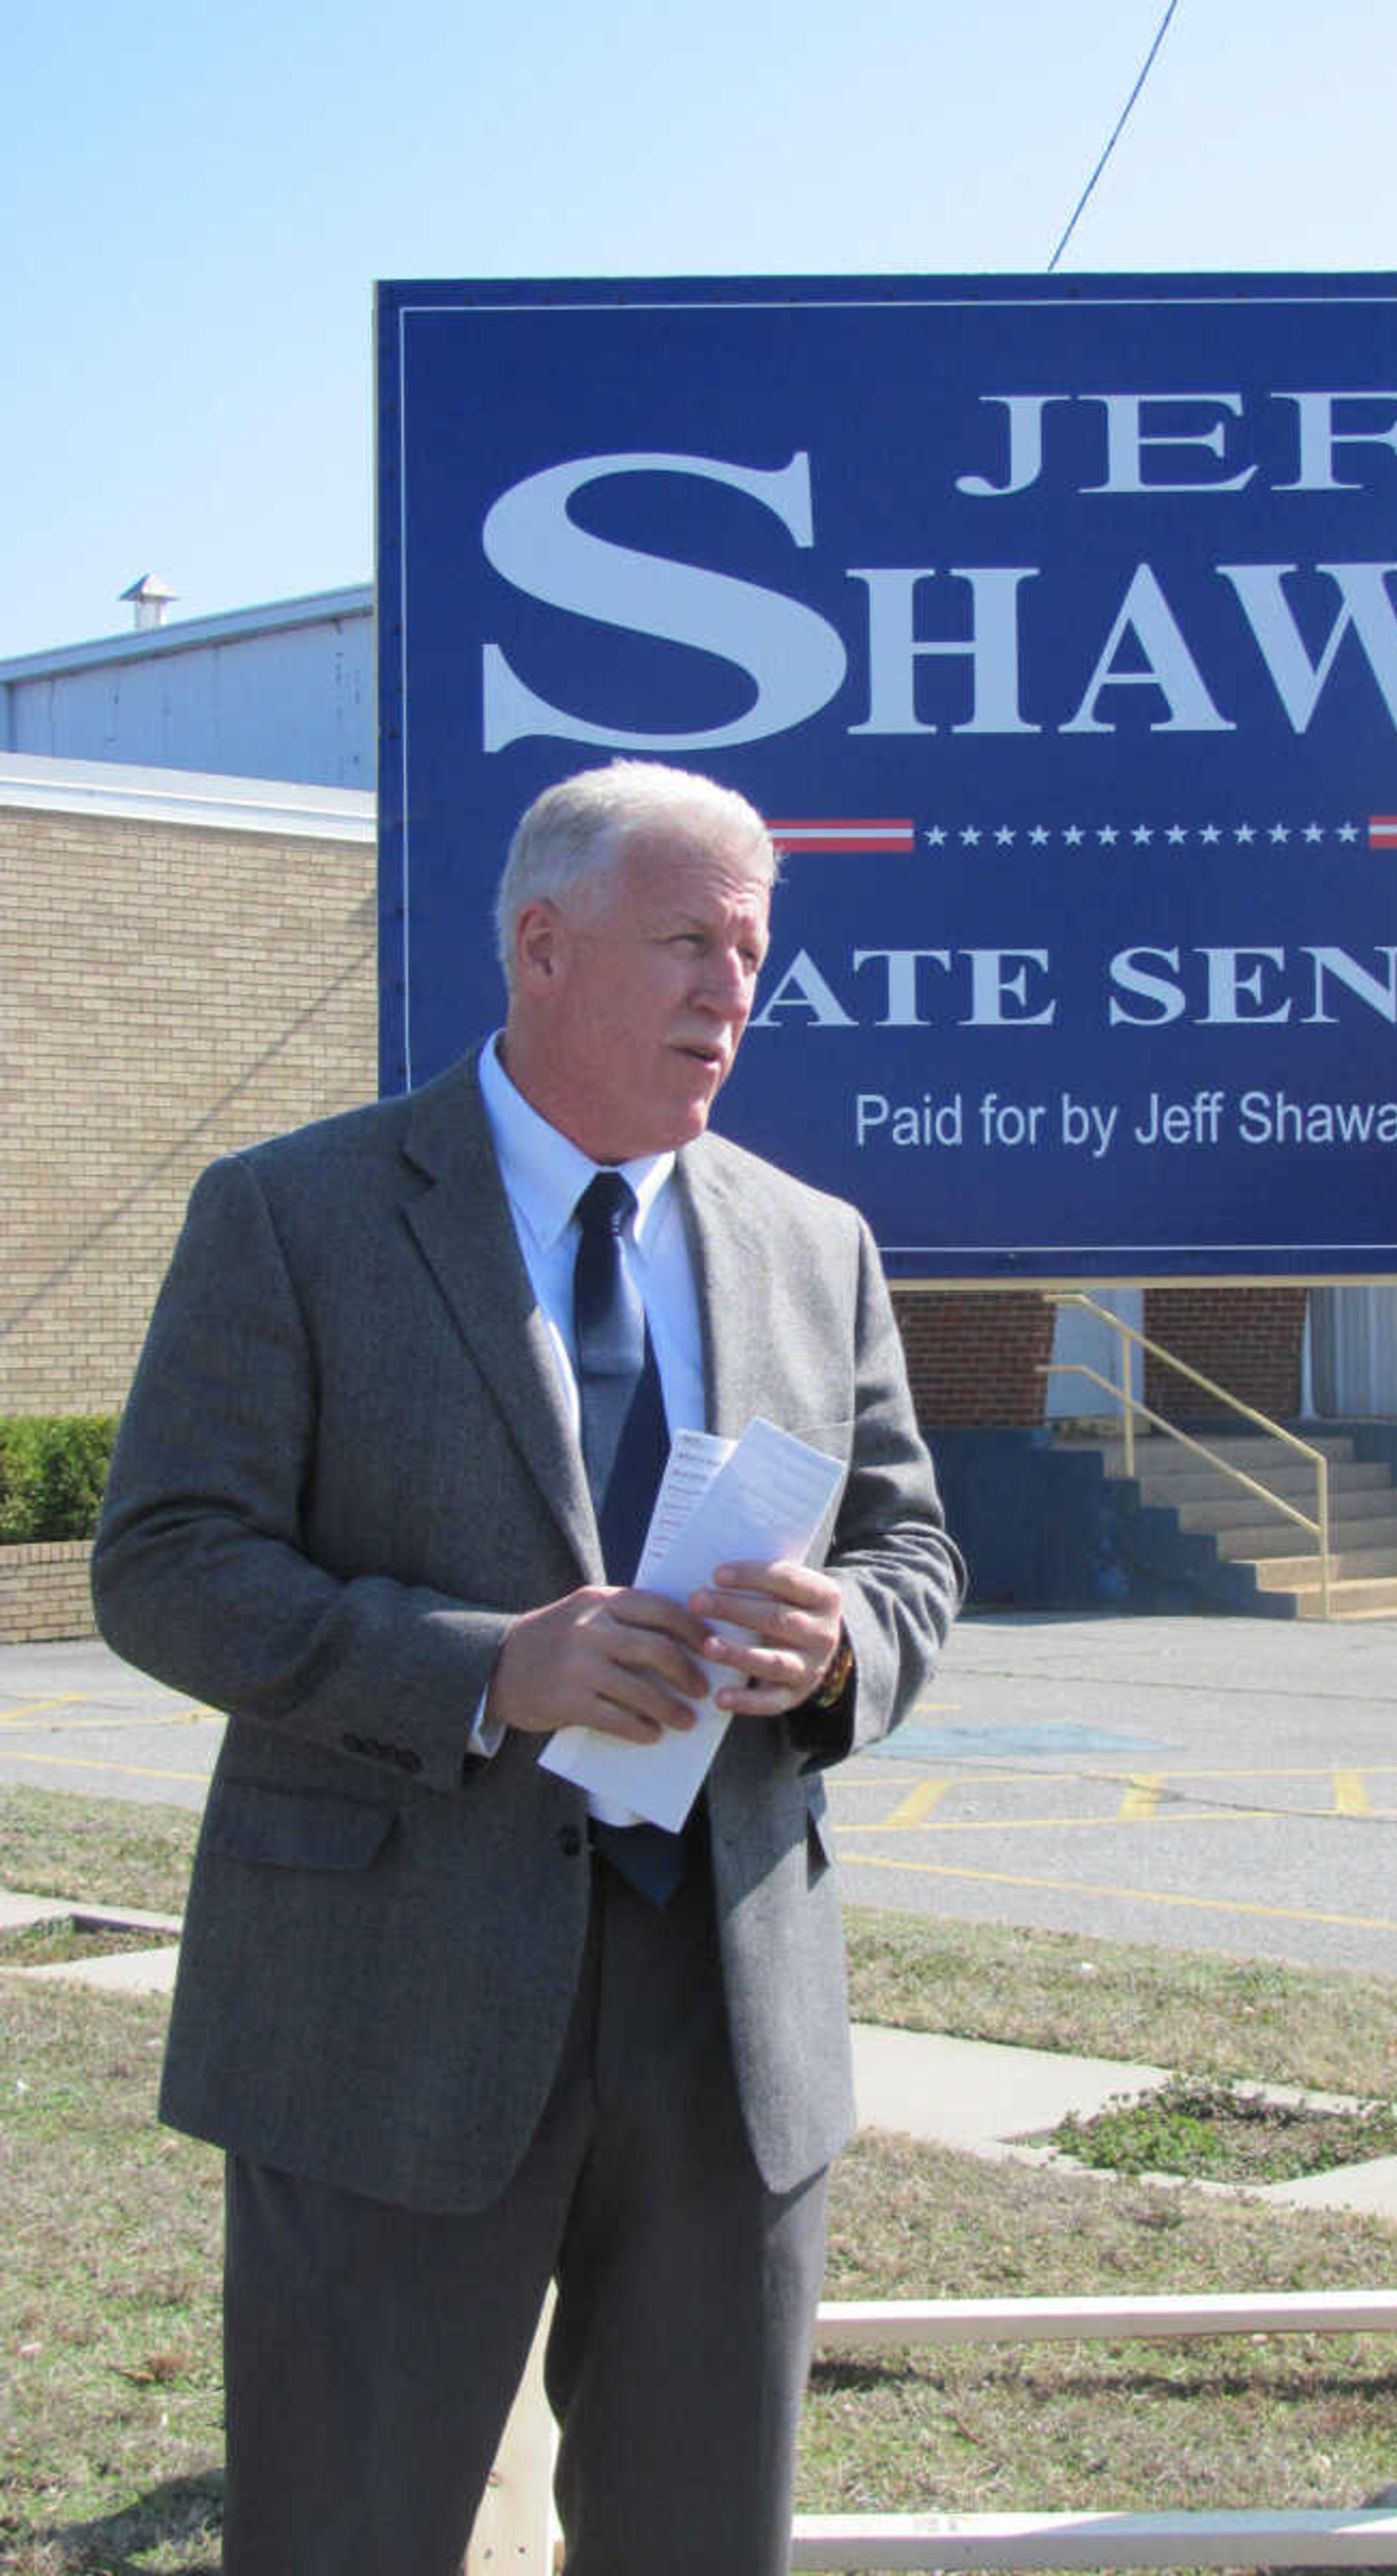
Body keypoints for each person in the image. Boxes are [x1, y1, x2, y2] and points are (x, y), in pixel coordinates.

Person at [91, 758, 964, 2576]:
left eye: (755, 949)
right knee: (352, 2535)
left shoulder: (818, 1244)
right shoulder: (296, 1214)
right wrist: (494, 1669)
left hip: (727, 2017)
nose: (737, 991)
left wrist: (836, 1649)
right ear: (542, 947)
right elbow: (166, 1566)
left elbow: (915, 1553)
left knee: (696, 2542)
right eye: (691, 945)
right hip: (384, 2011)